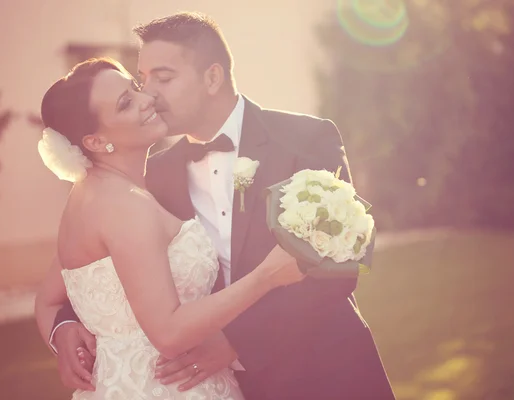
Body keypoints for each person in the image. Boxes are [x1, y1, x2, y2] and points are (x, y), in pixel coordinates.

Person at [49, 12, 395, 400]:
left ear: (212, 77)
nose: (150, 94)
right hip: (230, 388)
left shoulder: (305, 138)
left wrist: (236, 342)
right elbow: (97, 271)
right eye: (143, 79)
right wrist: (61, 329)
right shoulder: (151, 178)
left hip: (327, 372)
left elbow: (340, 266)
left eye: (163, 78)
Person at [34, 57, 304, 400]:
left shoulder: (86, 196)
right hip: (170, 388)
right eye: (126, 103)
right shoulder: (125, 206)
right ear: (96, 142)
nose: (146, 98)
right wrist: (267, 276)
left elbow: (46, 300)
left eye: (133, 86)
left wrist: (61, 331)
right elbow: (169, 333)